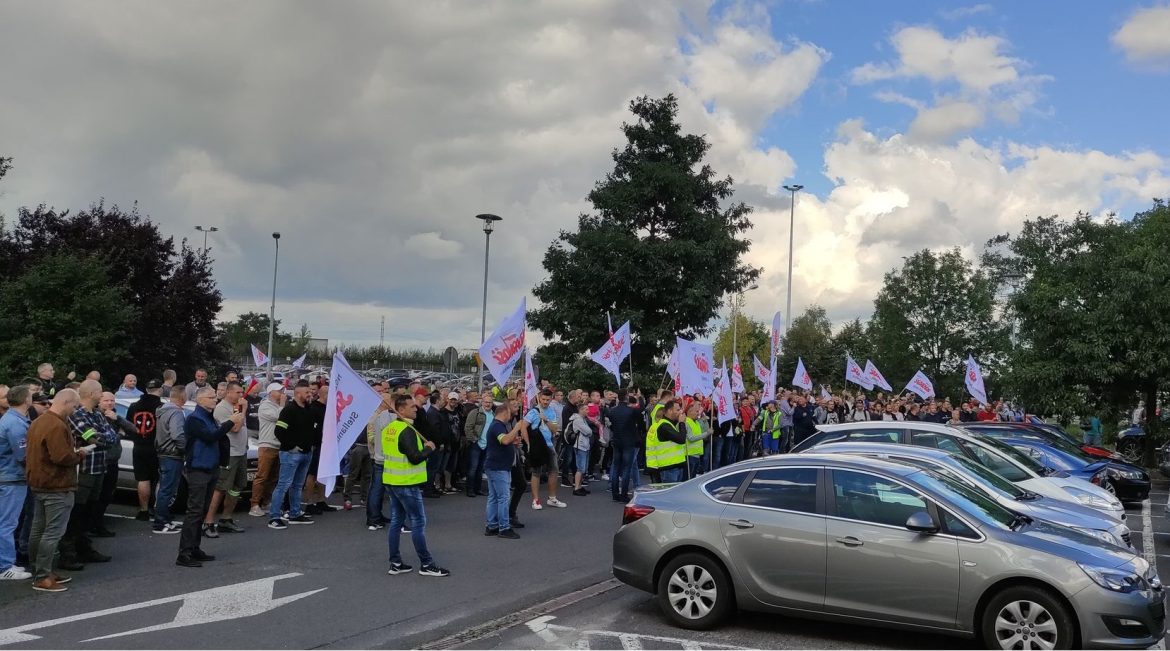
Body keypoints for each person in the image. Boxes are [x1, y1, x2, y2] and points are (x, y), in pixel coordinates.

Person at [383, 395, 449, 577]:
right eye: (412, 406)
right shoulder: (406, 430)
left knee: (397, 521)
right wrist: (428, 448)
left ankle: (395, 562)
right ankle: (426, 564)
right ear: (401, 409)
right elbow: (414, 457)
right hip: (406, 483)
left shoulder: (390, 429)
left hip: (392, 481)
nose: (416, 409)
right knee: (418, 521)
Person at [26, 389, 84, 592]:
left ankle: (40, 570)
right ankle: (42, 576)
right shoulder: (57, 425)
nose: (75, 411)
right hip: (56, 484)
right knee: (52, 532)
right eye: (75, 406)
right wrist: (79, 455)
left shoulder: (38, 421)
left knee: (38, 530)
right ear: (66, 402)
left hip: (39, 482)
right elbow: (61, 457)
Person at [176, 387, 242, 567]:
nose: (215, 400)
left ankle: (195, 547)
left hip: (211, 467)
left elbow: (217, 436)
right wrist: (229, 422)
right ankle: (185, 553)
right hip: (198, 467)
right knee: (195, 511)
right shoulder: (194, 419)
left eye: (215, 396)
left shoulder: (208, 417)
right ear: (200, 400)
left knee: (203, 510)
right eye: (211, 397)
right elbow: (210, 436)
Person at [62, 380, 115, 568]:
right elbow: (93, 437)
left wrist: (103, 437)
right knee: (77, 512)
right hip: (84, 470)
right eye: (100, 391)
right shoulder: (77, 414)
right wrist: (102, 437)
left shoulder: (98, 415)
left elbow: (111, 436)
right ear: (91, 393)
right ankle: (68, 553)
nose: (102, 395)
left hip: (99, 467)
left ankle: (84, 548)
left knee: (89, 511)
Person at [268, 381, 317, 529]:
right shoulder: (288, 410)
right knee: (283, 485)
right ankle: (274, 517)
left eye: (310, 392)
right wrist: (292, 446)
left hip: (306, 453)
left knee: (297, 485)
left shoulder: (309, 409)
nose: (310, 394)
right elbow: (279, 431)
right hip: (291, 454)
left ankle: (295, 513)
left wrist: (311, 445)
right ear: (298, 394)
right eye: (307, 392)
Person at [204, 381, 247, 536]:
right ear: (228, 392)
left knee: (236, 487)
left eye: (242, 393)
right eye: (238, 393)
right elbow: (234, 429)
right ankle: (208, 522)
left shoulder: (238, 408)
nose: (241, 396)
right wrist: (244, 410)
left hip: (241, 452)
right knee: (221, 488)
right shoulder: (222, 409)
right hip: (230, 454)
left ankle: (226, 519)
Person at [0, 385, 32, 581]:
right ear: (25, 400)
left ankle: (7, 562)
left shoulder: (12, 419)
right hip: (12, 478)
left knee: (7, 522)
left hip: (10, 476)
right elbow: (23, 455)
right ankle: (5, 566)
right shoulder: (16, 424)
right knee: (7, 523)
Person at [125, 380, 164, 521]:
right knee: (157, 479)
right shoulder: (161, 407)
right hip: (155, 448)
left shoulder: (134, 406)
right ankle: (156, 508)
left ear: (146, 389)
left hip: (139, 446)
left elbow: (128, 426)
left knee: (143, 479)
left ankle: (144, 510)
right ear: (159, 390)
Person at [484, 402, 521, 539]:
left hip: (496, 466)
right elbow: (505, 440)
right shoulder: (497, 426)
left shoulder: (497, 426)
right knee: (503, 497)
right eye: (509, 413)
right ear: (504, 413)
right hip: (498, 467)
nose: (510, 416)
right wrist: (516, 428)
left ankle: (492, 525)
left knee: (494, 497)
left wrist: (513, 441)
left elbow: (504, 441)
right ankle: (504, 527)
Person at [152, 387, 187, 534]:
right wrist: (185, 448)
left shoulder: (162, 411)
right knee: (168, 489)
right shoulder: (176, 412)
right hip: (172, 454)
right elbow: (177, 434)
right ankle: (160, 522)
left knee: (166, 488)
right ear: (182, 396)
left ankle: (164, 518)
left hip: (163, 453)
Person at [524, 390, 566, 510]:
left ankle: (552, 498)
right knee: (536, 472)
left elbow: (554, 429)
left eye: (548, 400)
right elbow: (523, 426)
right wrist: (528, 443)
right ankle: (535, 500)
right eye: (543, 399)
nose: (545, 402)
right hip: (537, 446)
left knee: (554, 470)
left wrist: (546, 419)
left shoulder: (551, 412)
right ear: (539, 399)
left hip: (549, 445)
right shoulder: (533, 411)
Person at [250, 383, 285, 517]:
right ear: (271, 392)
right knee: (262, 476)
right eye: (279, 391)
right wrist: (282, 405)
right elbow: (279, 417)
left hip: (278, 445)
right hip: (267, 445)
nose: (282, 393)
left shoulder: (279, 406)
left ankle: (265, 502)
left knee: (273, 477)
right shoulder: (265, 405)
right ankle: (254, 504)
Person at [606, 390, 642, 503]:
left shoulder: (612, 411)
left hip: (617, 441)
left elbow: (611, 425)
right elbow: (641, 424)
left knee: (616, 467)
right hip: (629, 441)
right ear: (626, 397)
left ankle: (615, 494)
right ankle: (623, 494)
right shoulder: (632, 411)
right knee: (627, 467)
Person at [646, 400, 687, 483]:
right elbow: (681, 439)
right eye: (677, 410)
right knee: (670, 495)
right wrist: (682, 423)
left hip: (672, 466)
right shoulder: (664, 426)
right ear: (669, 411)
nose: (680, 412)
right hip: (669, 468)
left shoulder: (667, 423)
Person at [462, 393, 494, 497]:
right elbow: (468, 427)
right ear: (481, 402)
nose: (488, 404)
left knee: (481, 468)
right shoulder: (475, 412)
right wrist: (474, 440)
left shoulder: (493, 414)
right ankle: (470, 490)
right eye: (486, 402)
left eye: (490, 402)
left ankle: (478, 489)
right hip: (476, 444)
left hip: (487, 445)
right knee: (473, 468)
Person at [567, 403, 593, 497]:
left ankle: (580, 486)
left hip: (584, 445)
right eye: (586, 409)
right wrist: (588, 432)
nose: (588, 411)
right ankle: (576, 487)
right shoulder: (578, 420)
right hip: (580, 445)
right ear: (581, 410)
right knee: (580, 468)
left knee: (583, 468)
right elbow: (588, 431)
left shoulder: (583, 419)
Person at [683, 401, 709, 478]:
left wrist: (705, 420)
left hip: (696, 455)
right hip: (689, 455)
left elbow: (705, 430)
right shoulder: (686, 422)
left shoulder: (696, 422)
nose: (698, 413)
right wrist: (706, 434)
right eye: (696, 411)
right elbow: (691, 438)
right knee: (688, 479)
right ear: (690, 412)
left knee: (692, 478)